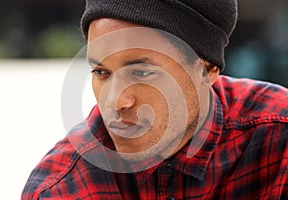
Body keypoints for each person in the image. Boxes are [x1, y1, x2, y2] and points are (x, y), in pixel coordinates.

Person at [22, 0, 288, 199]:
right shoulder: (62, 188)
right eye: (101, 72)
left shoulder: (279, 138)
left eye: (142, 72)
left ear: (206, 70)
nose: (115, 102)